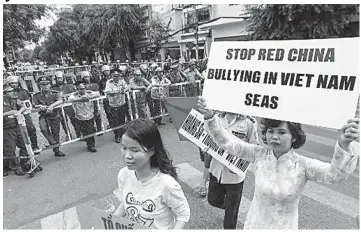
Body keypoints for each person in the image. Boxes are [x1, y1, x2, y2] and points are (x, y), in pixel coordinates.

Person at [198, 96, 359, 229]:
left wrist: (344, 144)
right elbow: (228, 143)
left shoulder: (303, 165)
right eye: (270, 131)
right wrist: (209, 117)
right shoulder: (258, 154)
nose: (274, 137)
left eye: (281, 132)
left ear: (294, 137)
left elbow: (334, 175)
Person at [114, 119, 190, 229]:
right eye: (124, 148)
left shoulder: (167, 184)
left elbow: (183, 214)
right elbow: (125, 205)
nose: (127, 155)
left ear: (151, 151)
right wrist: (109, 221)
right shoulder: (123, 175)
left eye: (134, 150)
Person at [205, 112, 259, 229]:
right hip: (216, 171)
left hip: (235, 176)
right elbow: (206, 136)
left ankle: (231, 211)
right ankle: (229, 207)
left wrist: (240, 163)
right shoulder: (216, 118)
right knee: (212, 200)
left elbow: (253, 148)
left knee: (230, 218)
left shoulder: (249, 123)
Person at [33, 76, 66, 157]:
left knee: (56, 133)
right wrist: (39, 106)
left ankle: (57, 150)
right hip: (43, 116)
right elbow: (34, 104)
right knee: (43, 129)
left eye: (47, 84)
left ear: (50, 84)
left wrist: (51, 106)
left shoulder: (55, 93)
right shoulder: (36, 95)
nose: (45, 86)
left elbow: (60, 100)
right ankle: (53, 143)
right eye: (43, 84)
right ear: (40, 86)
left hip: (54, 115)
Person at [7, 75, 40, 154]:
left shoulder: (24, 91)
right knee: (19, 134)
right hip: (12, 116)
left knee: (31, 129)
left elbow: (29, 103)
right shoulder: (6, 93)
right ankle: (25, 150)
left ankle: (35, 146)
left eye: (15, 83)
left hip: (25, 113)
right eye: (12, 83)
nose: (14, 85)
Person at [3, 83, 29, 176]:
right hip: (6, 128)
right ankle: (16, 167)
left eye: (12, 91)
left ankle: (24, 163)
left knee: (23, 144)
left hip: (16, 126)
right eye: (9, 91)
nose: (12, 92)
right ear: (4, 93)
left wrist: (19, 112)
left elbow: (24, 106)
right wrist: (9, 113)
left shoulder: (14, 99)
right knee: (10, 149)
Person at [68, 80, 100, 152]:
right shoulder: (75, 95)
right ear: (77, 89)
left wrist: (88, 97)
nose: (82, 90)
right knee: (84, 132)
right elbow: (69, 99)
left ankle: (91, 145)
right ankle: (89, 143)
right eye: (80, 89)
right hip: (80, 117)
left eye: (83, 88)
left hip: (89, 116)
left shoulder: (88, 93)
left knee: (90, 131)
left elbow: (98, 94)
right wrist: (80, 99)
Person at [51, 71, 80, 139]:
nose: (59, 80)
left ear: (63, 78)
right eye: (57, 78)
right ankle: (68, 134)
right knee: (63, 121)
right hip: (60, 107)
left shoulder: (68, 86)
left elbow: (74, 94)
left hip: (68, 105)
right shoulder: (53, 88)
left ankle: (78, 132)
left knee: (74, 119)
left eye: (60, 78)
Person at [104, 68, 129, 143]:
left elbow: (127, 87)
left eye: (118, 75)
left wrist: (124, 90)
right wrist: (116, 91)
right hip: (113, 105)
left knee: (122, 120)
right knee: (115, 121)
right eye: (115, 75)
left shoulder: (122, 81)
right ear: (112, 76)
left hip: (122, 103)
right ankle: (117, 135)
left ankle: (121, 135)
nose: (116, 77)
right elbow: (107, 91)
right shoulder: (109, 82)